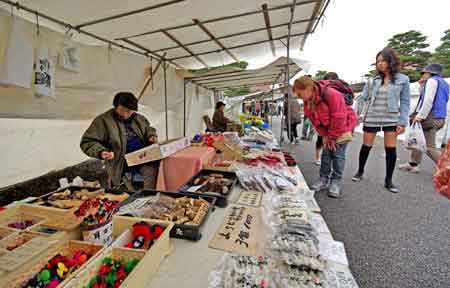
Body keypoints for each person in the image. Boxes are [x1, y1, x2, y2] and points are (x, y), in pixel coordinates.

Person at [352, 48, 411, 193]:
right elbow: (363, 98)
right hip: (372, 116)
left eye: (383, 61)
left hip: (391, 118)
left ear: (391, 61)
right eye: (378, 62)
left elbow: (405, 102)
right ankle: (360, 171)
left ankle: (388, 180)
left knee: (390, 149)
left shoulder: (403, 79)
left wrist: (402, 122)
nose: (380, 64)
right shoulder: (372, 81)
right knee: (366, 146)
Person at [293, 76, 357, 198]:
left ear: (308, 88)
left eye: (300, 94)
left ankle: (336, 181)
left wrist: (332, 137)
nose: (299, 98)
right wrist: (324, 135)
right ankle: (323, 178)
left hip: (343, 127)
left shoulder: (332, 94)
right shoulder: (308, 102)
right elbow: (314, 120)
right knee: (326, 154)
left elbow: (339, 117)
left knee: (338, 155)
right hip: (328, 130)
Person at [80, 92, 159, 191]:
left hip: (141, 158)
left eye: (129, 111)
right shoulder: (103, 121)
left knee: (153, 171)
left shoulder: (138, 118)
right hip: (120, 162)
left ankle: (148, 196)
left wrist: (151, 136)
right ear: (115, 106)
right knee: (126, 193)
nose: (126, 114)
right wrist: (101, 151)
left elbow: (148, 129)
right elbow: (88, 141)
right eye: (122, 110)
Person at [399, 64, 450, 172]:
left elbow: (428, 101)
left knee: (429, 147)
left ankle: (446, 168)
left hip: (430, 117)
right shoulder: (444, 83)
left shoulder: (432, 81)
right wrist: (422, 87)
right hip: (440, 117)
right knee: (417, 140)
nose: (423, 75)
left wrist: (420, 116)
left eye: (424, 73)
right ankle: (413, 164)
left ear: (430, 73)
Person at [313, 72, 341, 165]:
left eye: (332, 82)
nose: (330, 84)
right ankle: (318, 157)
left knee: (335, 146)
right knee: (321, 141)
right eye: (328, 81)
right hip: (324, 124)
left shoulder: (339, 93)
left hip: (336, 125)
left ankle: (332, 165)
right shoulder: (321, 93)